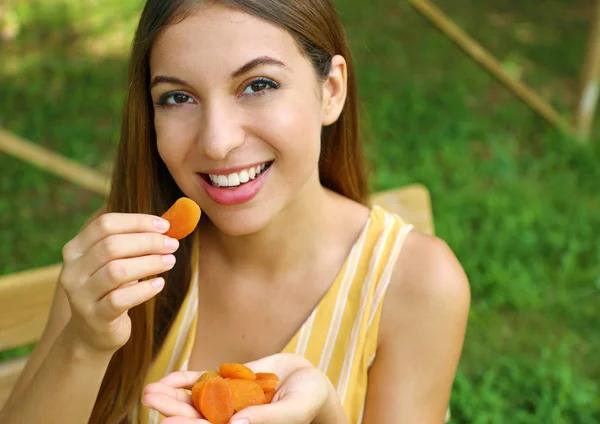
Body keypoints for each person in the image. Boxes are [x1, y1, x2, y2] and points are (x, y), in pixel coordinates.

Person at [0, 0, 470, 423]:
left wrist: (326, 414)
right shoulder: (126, 255)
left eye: (258, 85)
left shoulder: (418, 284)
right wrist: (85, 342)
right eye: (177, 97)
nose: (217, 142)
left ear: (330, 90)